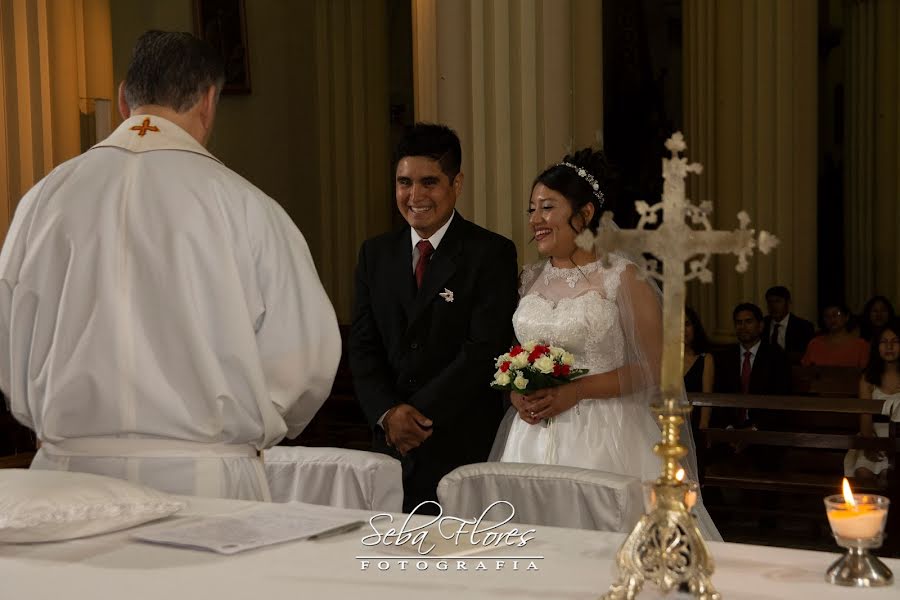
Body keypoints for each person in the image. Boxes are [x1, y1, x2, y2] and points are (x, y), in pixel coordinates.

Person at [0, 31, 341, 501]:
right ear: (208, 102)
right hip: (205, 481)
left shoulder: (43, 200)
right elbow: (305, 360)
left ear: (123, 97)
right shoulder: (246, 206)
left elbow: (8, 335)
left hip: (65, 478)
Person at [491, 148, 720, 540]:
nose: (535, 220)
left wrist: (576, 391)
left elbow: (657, 366)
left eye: (547, 208)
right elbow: (520, 354)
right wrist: (518, 392)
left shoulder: (622, 276)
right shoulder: (529, 278)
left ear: (585, 214)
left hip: (605, 435)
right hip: (532, 433)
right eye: (532, 209)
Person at [349, 123, 518, 513]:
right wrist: (389, 413)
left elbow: (483, 348)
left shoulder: (490, 253)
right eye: (404, 182)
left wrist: (416, 418)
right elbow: (362, 346)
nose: (415, 195)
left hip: (458, 443)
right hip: (388, 447)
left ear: (456, 184)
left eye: (429, 182)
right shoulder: (375, 254)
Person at [713, 303, 790, 428]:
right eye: (739, 322)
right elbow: (718, 395)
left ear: (760, 326)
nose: (743, 327)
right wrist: (728, 427)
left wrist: (755, 428)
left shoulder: (776, 356)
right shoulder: (724, 357)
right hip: (729, 428)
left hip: (764, 430)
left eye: (748, 322)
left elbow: (780, 399)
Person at [844, 322, 900, 480]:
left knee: (889, 474)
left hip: (898, 436)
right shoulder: (868, 378)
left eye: (895, 341)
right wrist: (870, 444)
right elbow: (865, 417)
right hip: (875, 434)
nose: (889, 346)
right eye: (884, 342)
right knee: (864, 471)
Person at [801, 302, 869, 368]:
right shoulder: (814, 343)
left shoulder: (861, 345)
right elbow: (805, 372)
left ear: (846, 317)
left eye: (836, 314)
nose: (831, 319)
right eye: (826, 316)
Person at [762, 286, 815, 361]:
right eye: (770, 302)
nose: (773, 306)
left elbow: (807, 355)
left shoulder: (803, 326)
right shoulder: (761, 324)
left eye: (778, 301)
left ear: (788, 302)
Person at [684, 306, 715, 431]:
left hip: (695, 425)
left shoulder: (705, 359)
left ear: (694, 327)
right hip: (668, 424)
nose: (682, 330)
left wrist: (703, 426)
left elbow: (707, 399)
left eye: (687, 324)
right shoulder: (663, 359)